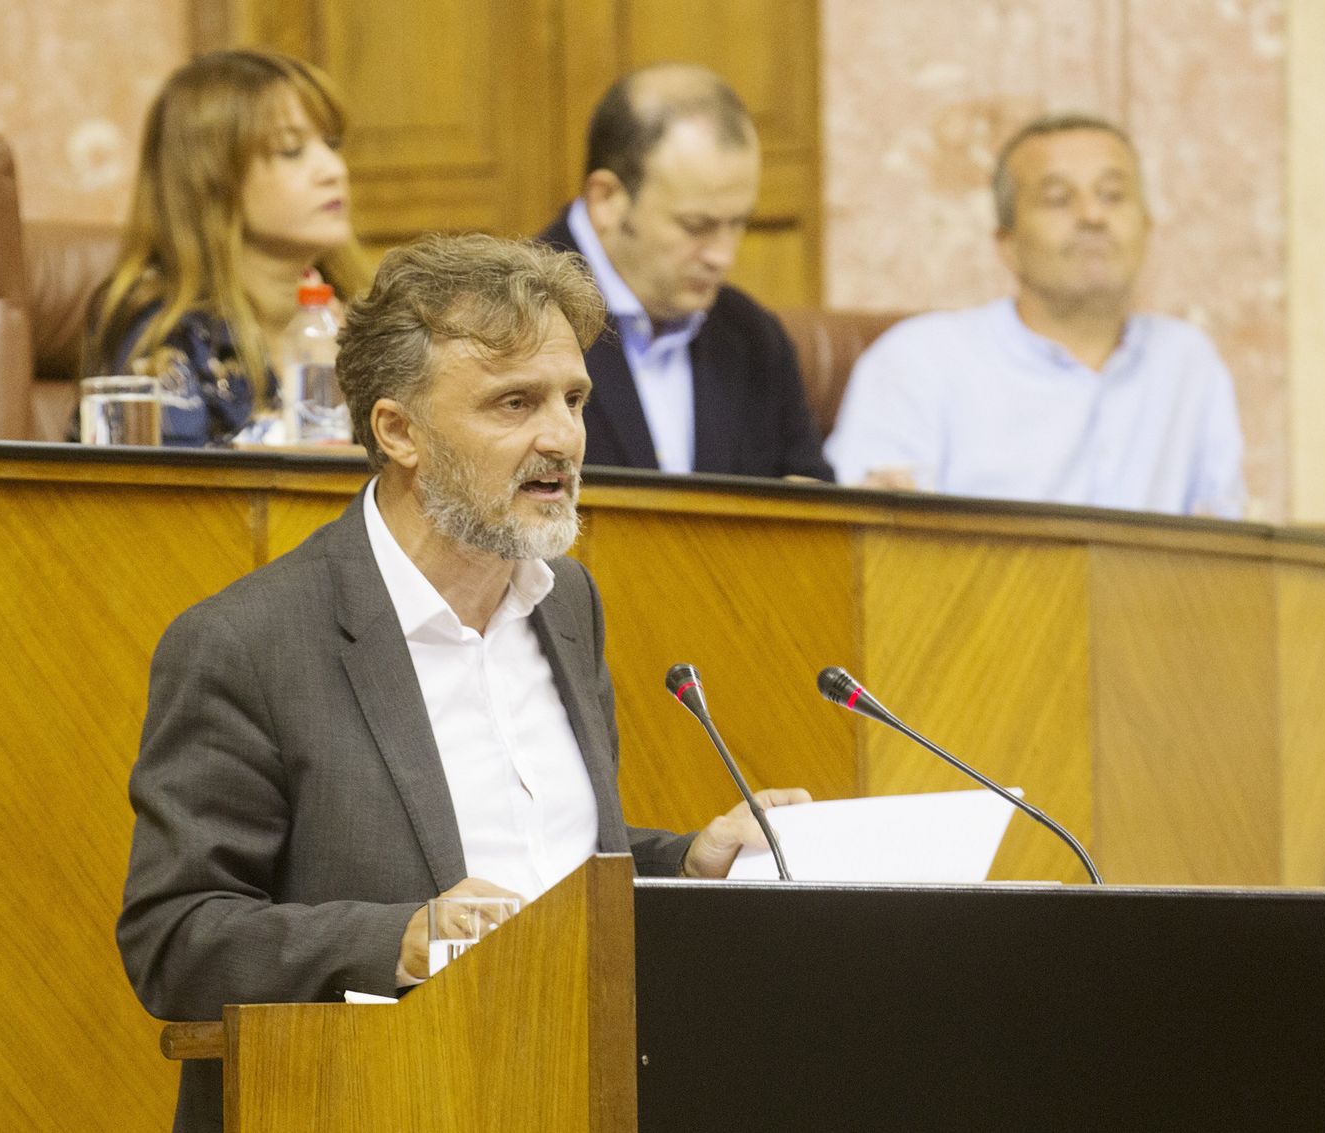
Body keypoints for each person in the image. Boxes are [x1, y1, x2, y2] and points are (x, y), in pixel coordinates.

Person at [116, 232, 807, 1131]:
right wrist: (403, 937)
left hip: (572, 1087)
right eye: (513, 403)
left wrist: (684, 861)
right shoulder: (247, 643)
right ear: (399, 430)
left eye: (573, 398)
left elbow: (540, 869)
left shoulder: (568, 603)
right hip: (367, 1099)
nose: (561, 436)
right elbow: (175, 937)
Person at [824, 113, 1246, 518]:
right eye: (1058, 199)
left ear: (1147, 227)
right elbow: (874, 548)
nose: (1092, 217)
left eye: (1112, 195)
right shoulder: (920, 361)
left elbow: (1224, 543)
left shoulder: (1187, 361)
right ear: (1006, 243)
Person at [536, 63, 832, 480]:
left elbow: (811, 496)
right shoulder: (508, 318)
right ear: (607, 200)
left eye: (737, 223)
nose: (722, 256)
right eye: (697, 226)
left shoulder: (753, 336)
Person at [84, 49, 369, 447]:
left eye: (332, 144)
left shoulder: (367, 317)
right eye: (291, 150)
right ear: (212, 180)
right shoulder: (160, 326)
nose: (334, 171)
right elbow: (174, 497)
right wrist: (300, 396)